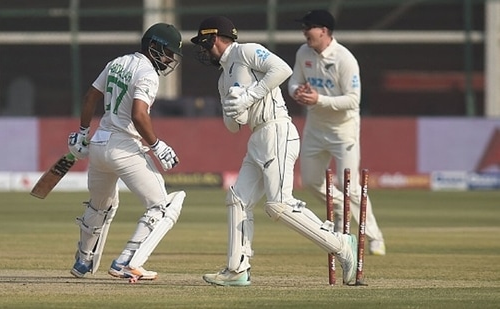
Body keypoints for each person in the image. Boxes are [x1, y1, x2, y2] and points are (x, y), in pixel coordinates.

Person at [190, 16, 358, 286]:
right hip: (257, 137)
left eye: (204, 43)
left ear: (215, 38)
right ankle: (237, 269)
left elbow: (281, 69)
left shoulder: (245, 51)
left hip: (277, 130)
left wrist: (249, 95)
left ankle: (340, 244)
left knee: (279, 205)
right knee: (238, 199)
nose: (203, 50)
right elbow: (234, 127)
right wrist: (235, 111)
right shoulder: (223, 79)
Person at [67, 22, 186, 281]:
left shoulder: (117, 62)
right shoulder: (148, 74)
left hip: (99, 144)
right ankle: (126, 262)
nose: (169, 59)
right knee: (161, 207)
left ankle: (83, 262)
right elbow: (139, 114)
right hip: (124, 146)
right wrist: (157, 145)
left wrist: (83, 133)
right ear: (153, 46)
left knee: (99, 207)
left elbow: (90, 97)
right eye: (167, 52)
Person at [287, 9, 386, 255]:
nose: (304, 32)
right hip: (315, 128)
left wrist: (318, 99)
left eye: (308, 27)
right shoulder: (303, 53)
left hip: (343, 131)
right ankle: (342, 210)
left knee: (350, 186)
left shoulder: (345, 59)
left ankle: (374, 237)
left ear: (324, 31)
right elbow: (293, 82)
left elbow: (353, 100)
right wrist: (297, 92)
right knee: (310, 181)